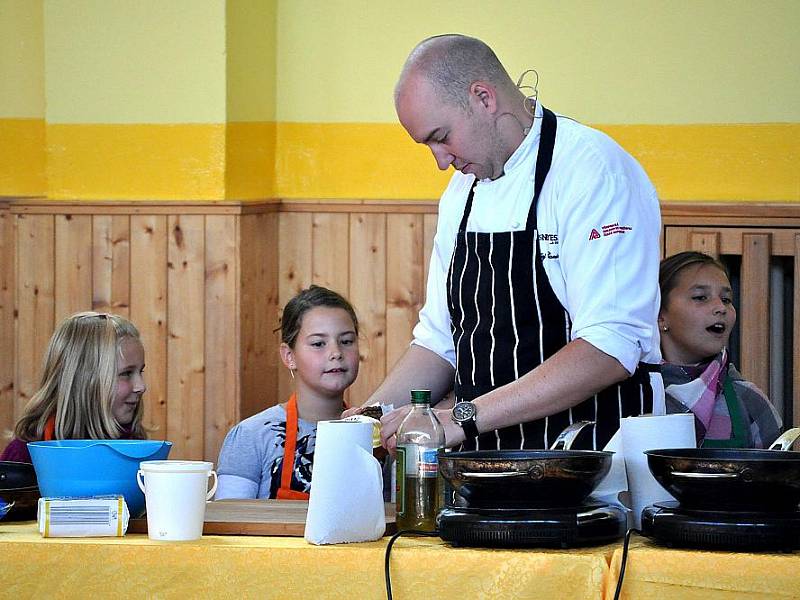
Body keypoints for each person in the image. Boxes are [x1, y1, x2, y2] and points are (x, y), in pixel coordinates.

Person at [357, 34, 664, 452]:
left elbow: (608, 347)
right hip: (484, 469)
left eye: (441, 136)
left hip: (590, 463)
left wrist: (462, 418)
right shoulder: (460, 194)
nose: (440, 160)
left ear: (483, 98)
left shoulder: (593, 171)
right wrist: (366, 421)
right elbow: (438, 343)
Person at [216, 285, 360, 500]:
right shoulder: (251, 436)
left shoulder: (375, 435)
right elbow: (229, 523)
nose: (336, 353)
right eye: (318, 343)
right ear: (288, 356)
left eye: (346, 341)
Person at [659, 251, 782, 448]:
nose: (720, 308)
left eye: (726, 299)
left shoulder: (750, 402)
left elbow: (779, 477)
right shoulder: (628, 395)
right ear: (660, 315)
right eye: (700, 297)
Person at [0, 311, 148, 463]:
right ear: (84, 378)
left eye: (140, 371)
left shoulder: (136, 450)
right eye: (126, 373)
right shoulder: (24, 455)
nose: (141, 386)